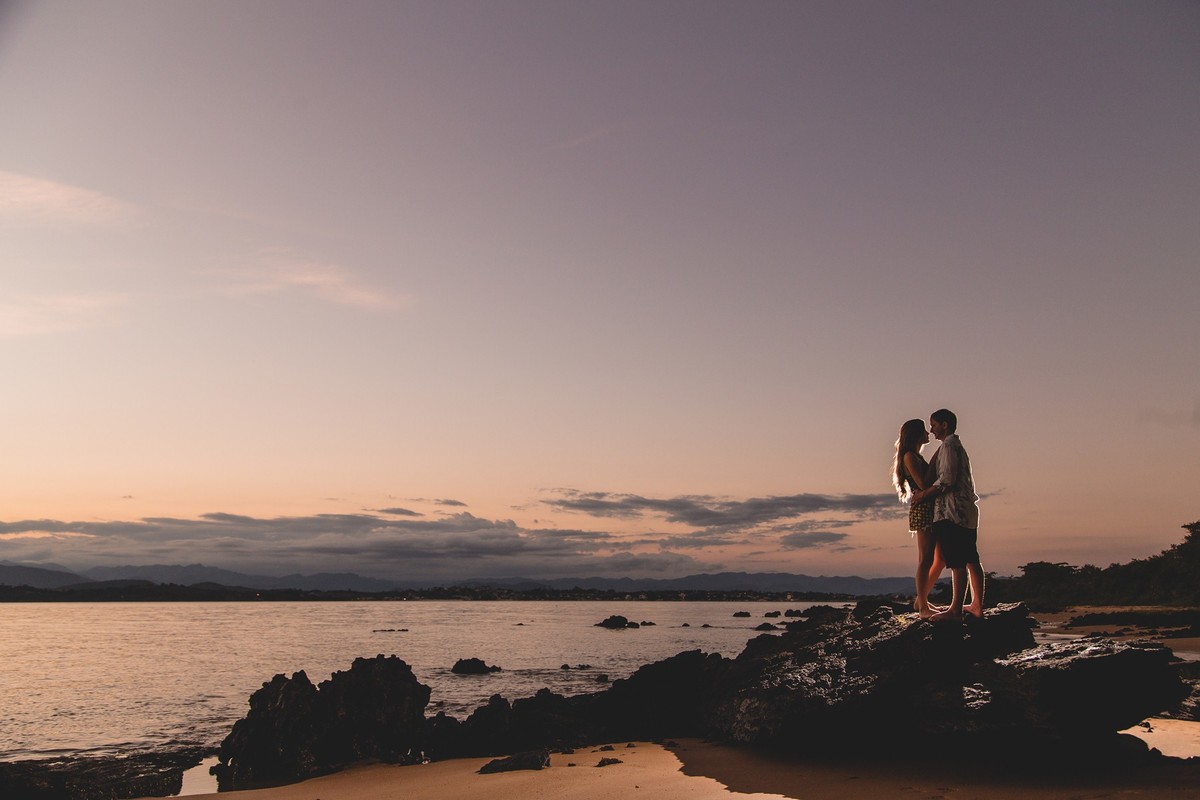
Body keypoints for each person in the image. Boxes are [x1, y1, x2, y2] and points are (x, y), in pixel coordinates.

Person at [910, 408, 983, 621]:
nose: (931, 430)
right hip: (964, 510)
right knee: (971, 558)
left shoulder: (949, 446)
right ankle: (976, 605)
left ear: (944, 425)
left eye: (933, 425)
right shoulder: (952, 446)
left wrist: (923, 495)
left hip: (952, 512)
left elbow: (947, 481)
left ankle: (955, 611)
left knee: (958, 561)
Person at [892, 419, 943, 618]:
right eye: (924, 430)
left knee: (940, 559)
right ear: (916, 434)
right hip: (923, 509)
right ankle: (922, 606)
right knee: (926, 558)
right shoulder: (909, 457)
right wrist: (939, 455)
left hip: (931, 508)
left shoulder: (915, 456)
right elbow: (923, 484)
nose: (928, 433)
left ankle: (919, 600)